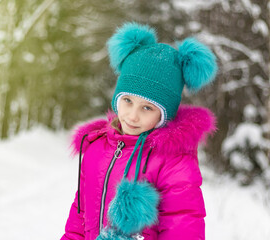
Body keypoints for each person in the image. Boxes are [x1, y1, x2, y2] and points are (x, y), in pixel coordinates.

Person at [61, 22, 218, 240]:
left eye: (147, 108)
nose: (133, 115)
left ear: (164, 115)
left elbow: (183, 225)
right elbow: (79, 217)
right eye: (127, 100)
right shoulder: (96, 147)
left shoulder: (173, 161)